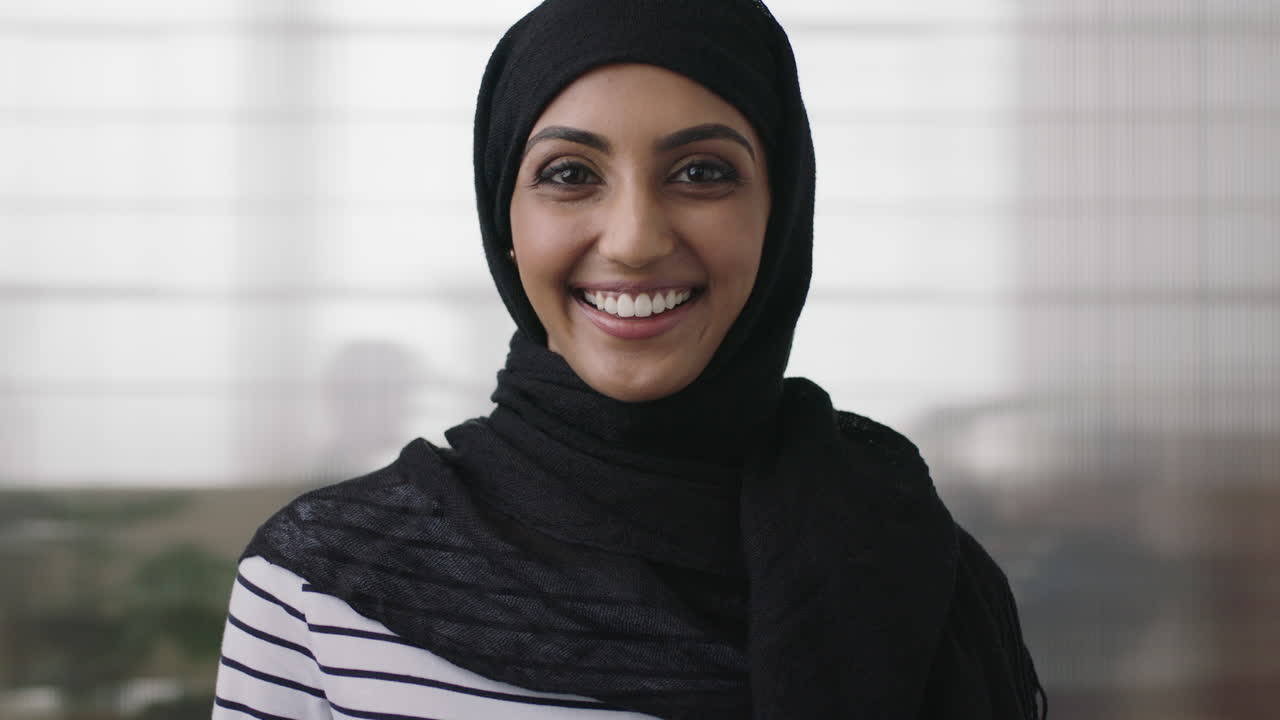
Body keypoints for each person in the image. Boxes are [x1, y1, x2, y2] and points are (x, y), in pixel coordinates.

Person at [212, 1, 1046, 718]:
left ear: (781, 212)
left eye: (702, 172)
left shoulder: (912, 566)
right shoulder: (319, 586)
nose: (636, 241)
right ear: (505, 219)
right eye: (571, 173)